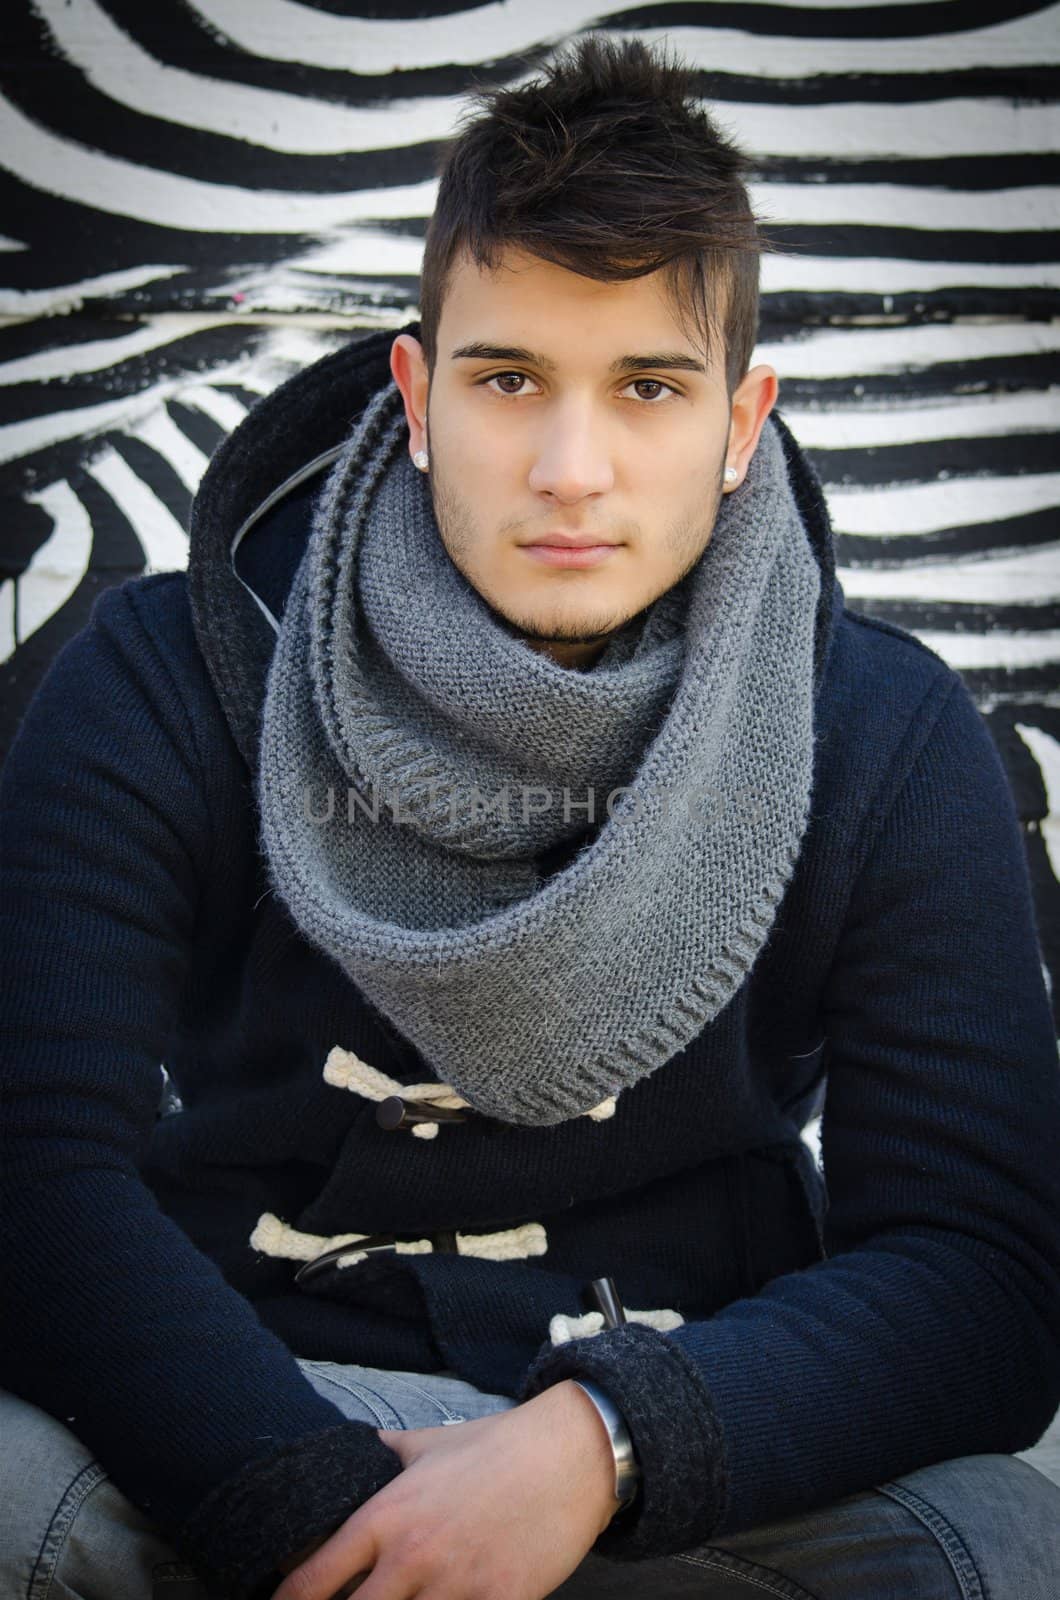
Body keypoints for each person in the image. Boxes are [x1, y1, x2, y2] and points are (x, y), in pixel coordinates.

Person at [2, 34, 1059, 1600]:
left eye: (648, 387)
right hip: (254, 1404)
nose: (574, 470)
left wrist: (602, 1448)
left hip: (684, 1453)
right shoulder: (167, 674)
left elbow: (986, 1277)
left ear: (742, 419)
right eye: (510, 380)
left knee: (1006, 1540)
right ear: (418, 394)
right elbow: (30, 1174)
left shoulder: (885, 735)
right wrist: (305, 1511)